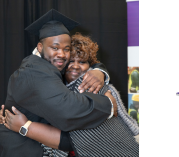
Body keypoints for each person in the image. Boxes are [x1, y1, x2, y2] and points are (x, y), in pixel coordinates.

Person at [0, 9, 117, 157]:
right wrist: (109, 104)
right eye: (55, 48)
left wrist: (99, 71)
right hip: (23, 149)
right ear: (40, 47)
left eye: (66, 49)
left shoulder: (48, 65)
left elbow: (83, 64)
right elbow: (68, 110)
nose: (61, 54)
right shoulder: (34, 72)